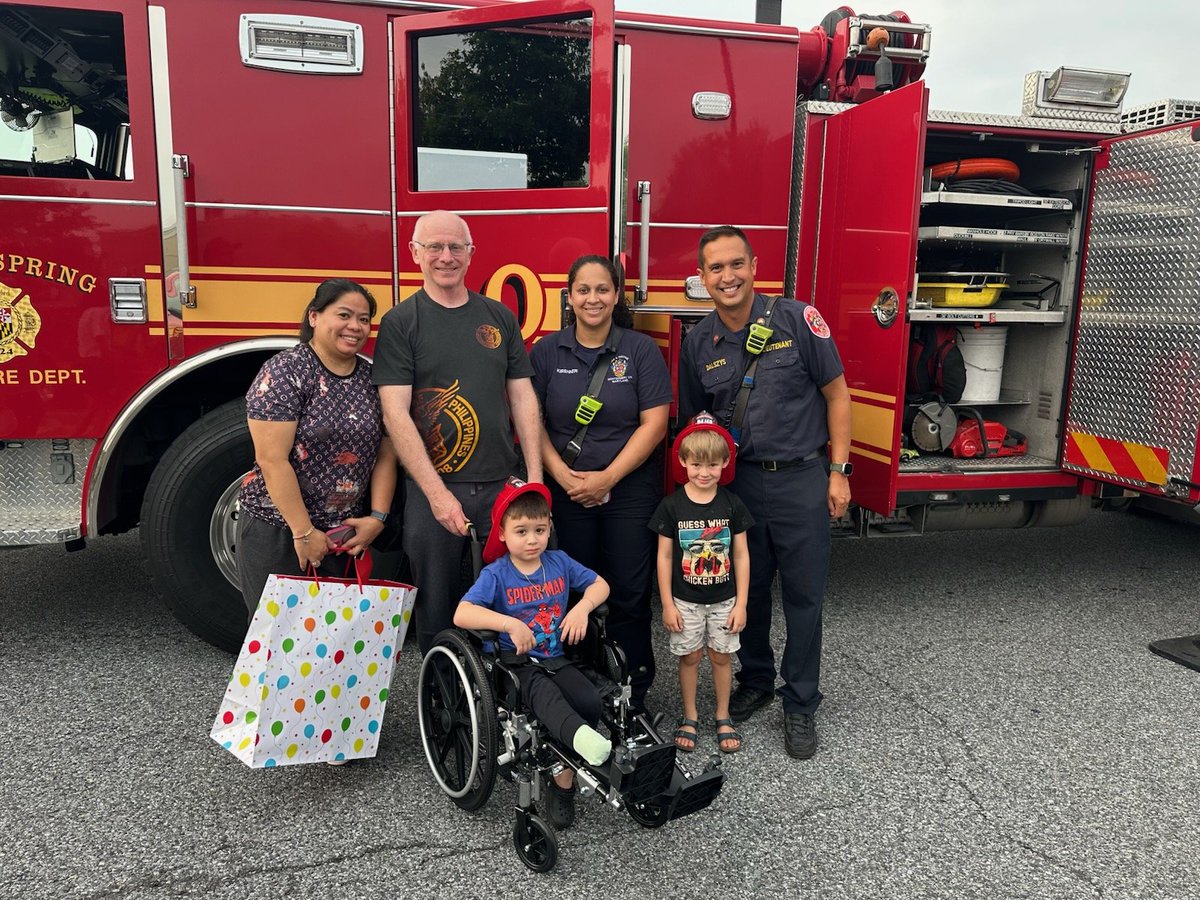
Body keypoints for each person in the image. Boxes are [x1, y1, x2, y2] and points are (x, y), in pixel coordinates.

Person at [677, 225, 852, 760]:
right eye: (715, 268)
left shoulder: (799, 320)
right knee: (745, 594)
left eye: (736, 264)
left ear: (754, 266)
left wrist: (840, 469)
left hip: (803, 477)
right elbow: (696, 423)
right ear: (702, 278)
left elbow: (838, 395)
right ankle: (756, 678)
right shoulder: (696, 342)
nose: (727, 277)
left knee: (803, 598)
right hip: (741, 483)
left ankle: (800, 704)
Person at [373, 211, 543, 655]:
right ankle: (444, 699)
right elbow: (396, 413)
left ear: (471, 254)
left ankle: (515, 701)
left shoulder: (499, 317)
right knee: (438, 608)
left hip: (501, 486)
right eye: (434, 247)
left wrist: (536, 480)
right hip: (436, 492)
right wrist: (436, 495)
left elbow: (523, 399)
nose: (445, 257)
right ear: (415, 254)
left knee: (522, 599)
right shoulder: (400, 322)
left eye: (455, 247)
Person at [530, 255, 672, 709]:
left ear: (617, 296)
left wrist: (608, 477)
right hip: (567, 490)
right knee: (572, 592)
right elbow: (530, 423)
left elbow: (655, 424)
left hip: (628, 491)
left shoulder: (640, 350)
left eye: (602, 290)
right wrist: (561, 476)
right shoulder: (546, 352)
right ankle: (581, 689)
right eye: (583, 290)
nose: (593, 298)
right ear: (569, 297)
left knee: (630, 592)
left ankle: (635, 692)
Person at [454, 478, 611, 829]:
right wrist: (509, 624)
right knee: (545, 696)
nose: (532, 539)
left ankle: (563, 775)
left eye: (539, 530)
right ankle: (568, 780)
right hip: (516, 665)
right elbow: (462, 614)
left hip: (555, 657)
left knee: (588, 701)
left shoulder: (559, 562)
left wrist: (582, 607)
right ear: (503, 533)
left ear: (549, 528)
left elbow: (601, 585)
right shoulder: (497, 574)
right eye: (521, 531)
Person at [237, 278, 397, 615]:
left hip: (343, 536)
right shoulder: (285, 372)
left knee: (331, 647)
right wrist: (304, 532)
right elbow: (271, 460)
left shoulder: (372, 379)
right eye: (344, 315)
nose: (355, 326)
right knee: (278, 644)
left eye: (364, 319)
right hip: (280, 530)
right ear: (314, 317)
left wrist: (378, 518)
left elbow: (385, 455)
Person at [648, 414, 753, 754]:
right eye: (696, 464)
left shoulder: (732, 505)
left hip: (725, 598)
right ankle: (690, 715)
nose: (704, 473)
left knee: (721, 657)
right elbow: (664, 557)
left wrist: (741, 603)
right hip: (685, 600)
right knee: (690, 656)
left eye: (712, 465)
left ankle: (723, 715)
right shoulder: (672, 506)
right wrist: (666, 603)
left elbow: (741, 555)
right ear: (682, 462)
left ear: (725, 462)